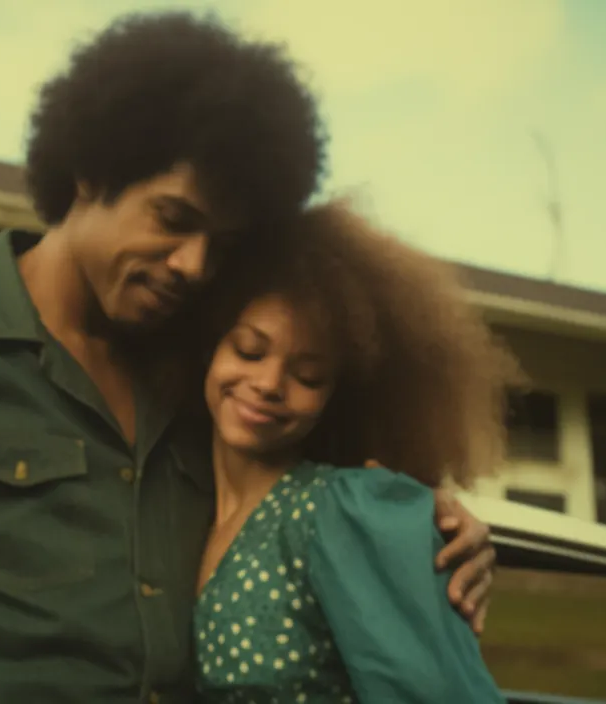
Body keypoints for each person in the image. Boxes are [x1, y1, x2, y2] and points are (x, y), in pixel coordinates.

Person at [0, 11, 496, 704]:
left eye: (223, 245)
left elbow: (319, 511)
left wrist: (443, 530)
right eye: (172, 217)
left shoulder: (199, 383)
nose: (193, 265)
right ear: (90, 169)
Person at [187, 200, 517, 702]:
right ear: (208, 345)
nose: (270, 383)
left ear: (339, 394)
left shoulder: (344, 512)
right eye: (249, 350)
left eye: (308, 375)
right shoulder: (174, 500)